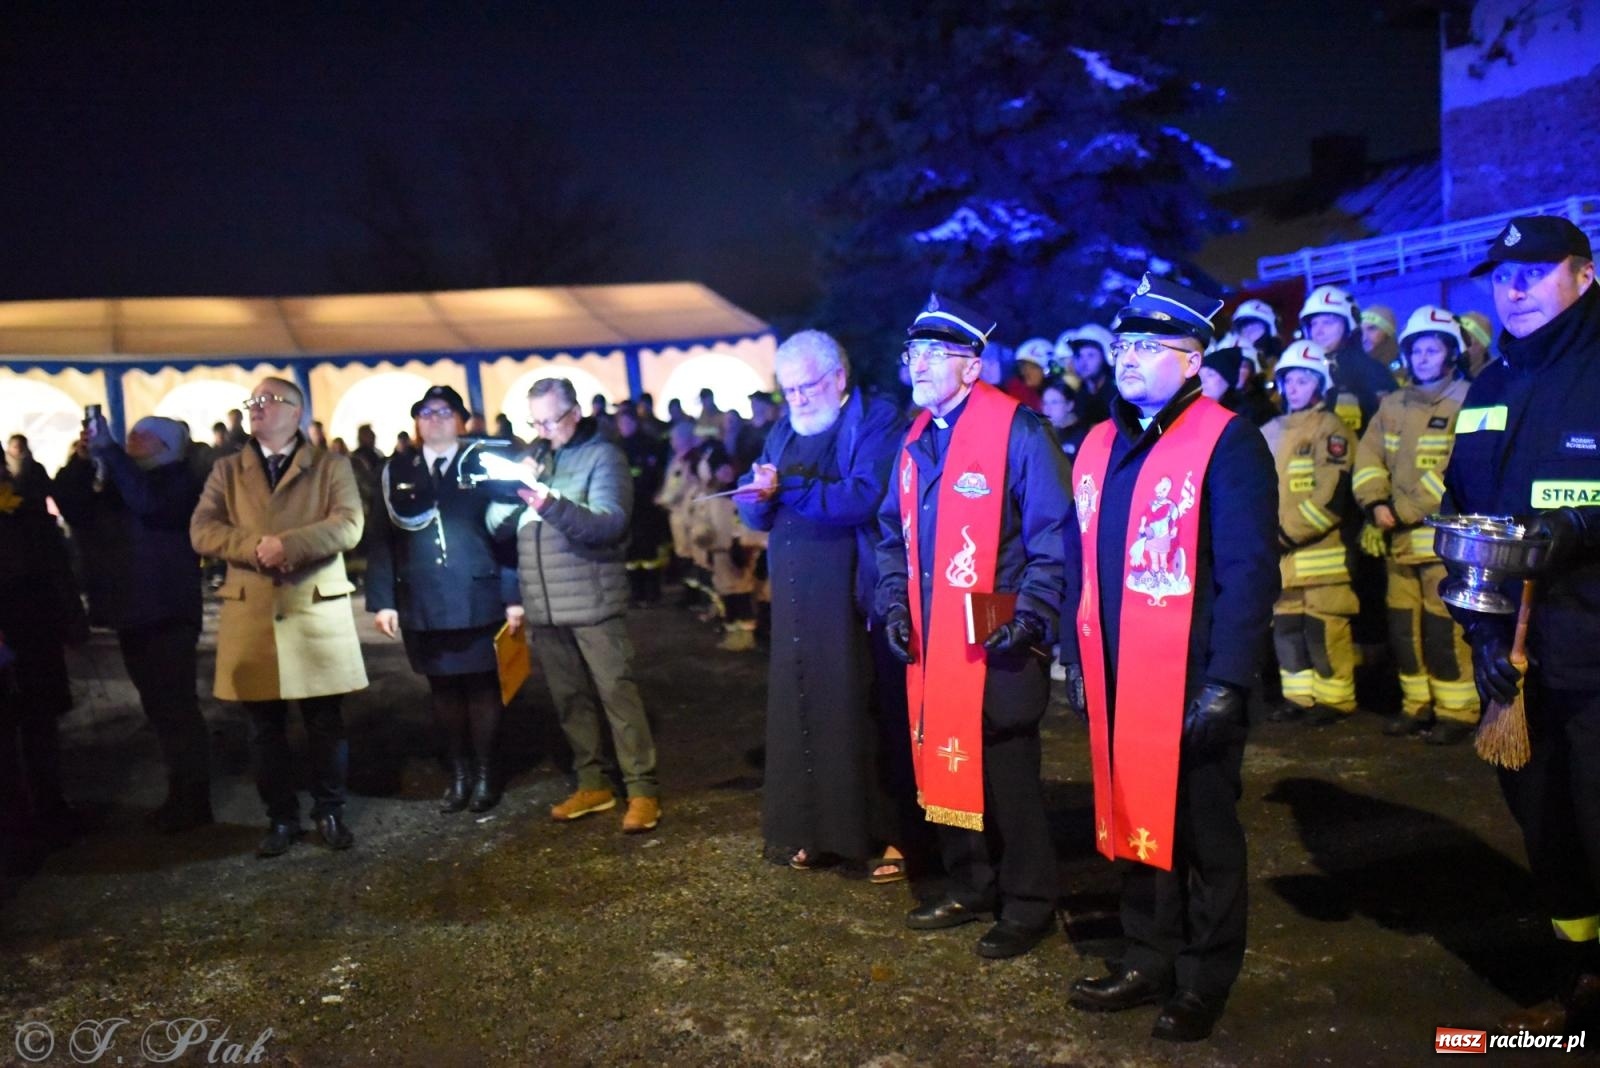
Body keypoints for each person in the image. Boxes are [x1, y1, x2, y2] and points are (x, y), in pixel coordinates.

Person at [1061, 272, 1278, 1043]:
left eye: (1148, 346)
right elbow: (1077, 557)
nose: (1127, 357)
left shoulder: (1227, 438)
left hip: (1190, 677)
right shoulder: (1098, 442)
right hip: (1116, 670)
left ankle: (1202, 978)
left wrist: (1226, 682)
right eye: (1123, 344)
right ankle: (1146, 955)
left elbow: (1251, 570)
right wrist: (1075, 658)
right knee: (1131, 821)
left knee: (1203, 834)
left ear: (1192, 361)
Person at [874, 294, 1070, 959]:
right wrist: (894, 604)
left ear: (972, 364)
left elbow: (1052, 534)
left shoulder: (1020, 430)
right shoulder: (912, 437)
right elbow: (888, 537)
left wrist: (1034, 614)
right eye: (913, 354)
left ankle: (1028, 900)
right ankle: (969, 880)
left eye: (934, 355)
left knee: (1006, 768)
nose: (919, 366)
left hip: (997, 621)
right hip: (931, 628)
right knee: (944, 757)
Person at [1444, 215, 1600, 1034]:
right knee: (1548, 828)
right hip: (1518, 659)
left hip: (1595, 650)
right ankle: (1582, 970)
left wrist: (1580, 530)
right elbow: (1463, 510)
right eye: (1502, 278)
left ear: (1582, 272)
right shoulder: (1493, 382)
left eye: (1534, 274)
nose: (1514, 289)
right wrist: (1477, 632)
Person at [737, 330, 913, 882]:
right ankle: (815, 829)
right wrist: (755, 498)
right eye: (788, 391)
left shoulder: (877, 420)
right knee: (806, 711)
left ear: (838, 377)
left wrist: (784, 489)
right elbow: (756, 507)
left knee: (865, 709)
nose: (799, 399)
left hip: (852, 593)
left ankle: (891, 834)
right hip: (796, 597)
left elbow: (865, 496)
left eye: (807, 386)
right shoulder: (784, 430)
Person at [190, 377, 368, 858]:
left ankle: (330, 810)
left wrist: (289, 545)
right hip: (252, 610)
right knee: (262, 728)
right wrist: (253, 548)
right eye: (253, 402)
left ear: (297, 411)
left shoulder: (331, 466)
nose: (256, 409)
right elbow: (203, 529)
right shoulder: (227, 470)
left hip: (313, 606)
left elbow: (349, 523)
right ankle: (281, 817)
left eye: (268, 401)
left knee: (324, 721)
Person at [487, 377, 661, 833]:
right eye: (536, 421)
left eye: (552, 420)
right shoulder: (537, 456)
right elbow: (498, 527)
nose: (543, 430)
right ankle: (593, 783)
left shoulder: (603, 456)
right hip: (544, 604)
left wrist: (548, 500)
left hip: (592, 600)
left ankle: (642, 789)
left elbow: (609, 524)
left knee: (616, 694)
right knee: (569, 700)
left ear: (576, 412)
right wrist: (512, 491)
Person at [366, 386, 523, 814]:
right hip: (423, 599)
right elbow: (382, 539)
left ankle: (487, 774)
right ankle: (459, 774)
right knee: (442, 691)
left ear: (461, 420)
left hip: (479, 593)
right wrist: (383, 600)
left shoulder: (485, 464)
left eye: (443, 411)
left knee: (483, 687)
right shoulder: (396, 469)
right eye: (425, 412)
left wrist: (514, 596)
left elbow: (508, 531)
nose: (433, 418)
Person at [55, 415, 212, 831]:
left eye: (141, 435)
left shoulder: (178, 480)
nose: (129, 440)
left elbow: (150, 504)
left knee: (176, 707)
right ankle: (180, 791)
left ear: (165, 446)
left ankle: (194, 798)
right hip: (134, 610)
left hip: (168, 610)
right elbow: (73, 505)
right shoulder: (120, 479)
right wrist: (83, 461)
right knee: (158, 708)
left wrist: (110, 455)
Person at [1352, 306, 1477, 744]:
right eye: (1416, 350)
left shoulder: (1468, 401)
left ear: (1450, 353)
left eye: (1432, 349)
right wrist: (1374, 502)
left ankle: (1456, 711)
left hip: (1443, 540)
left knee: (1444, 627)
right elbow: (1368, 459)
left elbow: (1454, 467)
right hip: (1398, 539)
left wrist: (1399, 511)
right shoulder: (1392, 404)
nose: (1422, 358)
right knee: (1404, 628)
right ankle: (1416, 705)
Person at [1261, 342, 1359, 726]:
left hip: (1318, 556)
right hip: (1281, 560)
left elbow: (1331, 495)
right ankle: (1298, 698)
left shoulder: (1331, 430)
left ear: (1320, 384)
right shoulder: (1268, 431)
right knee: (1286, 630)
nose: (1295, 387)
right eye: (1290, 380)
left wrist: (1284, 535)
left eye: (1304, 379)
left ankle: (1335, 700)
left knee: (1324, 629)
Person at [0, 454, 87, 870]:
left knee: (39, 727)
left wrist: (71, 621)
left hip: (33, 633)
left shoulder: (26, 511)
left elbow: (55, 571)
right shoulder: (27, 512)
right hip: (28, 632)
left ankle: (48, 813)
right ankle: (25, 820)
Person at [1298, 284, 1397, 435]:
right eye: (1313, 324)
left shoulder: (1371, 371)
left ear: (1348, 325)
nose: (1318, 331)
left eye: (1328, 322)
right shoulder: (1301, 373)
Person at [1067, 324, 1117, 425]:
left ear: (1106, 357)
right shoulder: (1075, 395)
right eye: (1079, 356)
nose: (1083, 363)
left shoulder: (1117, 396)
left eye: (1090, 355)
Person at [1040, 378, 1089, 464]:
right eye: (1045, 403)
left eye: (1054, 402)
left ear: (1069, 405)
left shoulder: (1083, 436)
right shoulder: (1041, 435)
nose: (1048, 409)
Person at [1002, 338, 1051, 412]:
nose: (1026, 372)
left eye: (1033, 367)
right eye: (1023, 367)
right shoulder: (1016, 391)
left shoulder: (1058, 392)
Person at [1361, 305, 1401, 381]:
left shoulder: (1408, 364)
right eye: (1360, 331)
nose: (1363, 338)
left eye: (1371, 329)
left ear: (1387, 333)